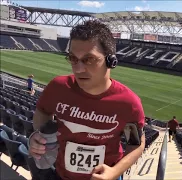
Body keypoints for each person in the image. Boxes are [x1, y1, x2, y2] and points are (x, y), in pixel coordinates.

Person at [28, 20, 146, 180]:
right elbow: (42, 111)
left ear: (111, 60)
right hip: (60, 175)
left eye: (89, 59)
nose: (78, 69)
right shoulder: (58, 87)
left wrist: (114, 172)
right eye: (73, 59)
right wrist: (40, 135)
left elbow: (135, 144)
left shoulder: (128, 104)